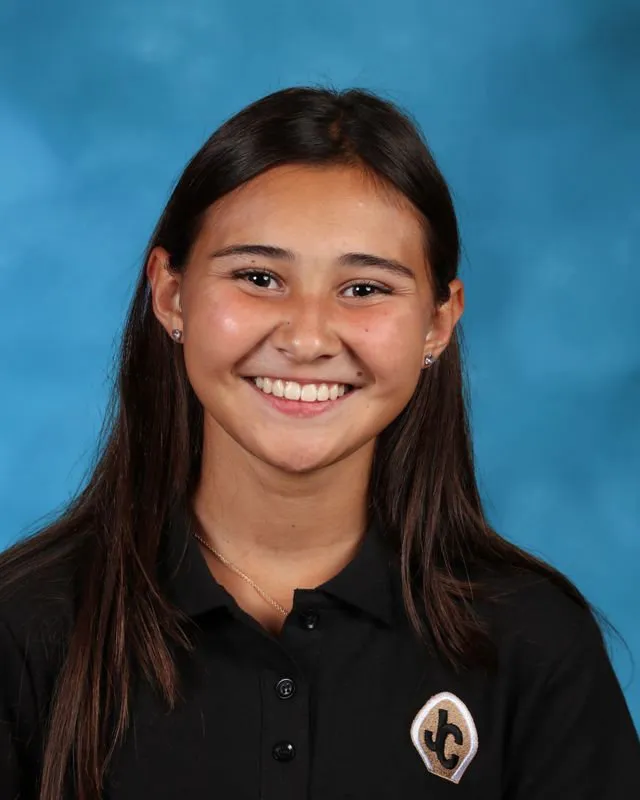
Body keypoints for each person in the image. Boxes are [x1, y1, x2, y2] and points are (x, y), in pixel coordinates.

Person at [0, 86, 638, 800]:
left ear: (438, 322)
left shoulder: (533, 640)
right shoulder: (26, 628)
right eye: (259, 278)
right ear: (171, 295)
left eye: (365, 289)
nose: (306, 339)